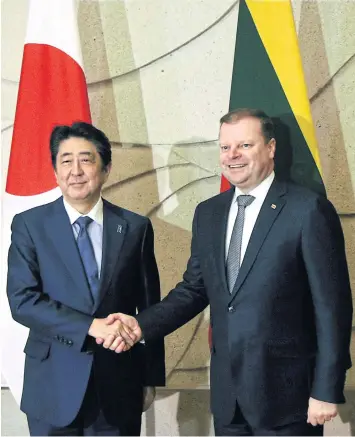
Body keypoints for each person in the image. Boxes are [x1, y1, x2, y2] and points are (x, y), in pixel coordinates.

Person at [103, 109, 353, 436]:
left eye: (245, 145)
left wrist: (326, 388)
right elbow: (194, 290)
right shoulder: (209, 214)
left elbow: (332, 307)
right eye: (224, 147)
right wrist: (140, 324)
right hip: (228, 399)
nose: (232, 155)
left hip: (290, 400)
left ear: (271, 148)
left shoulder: (307, 210)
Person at [6, 122, 165, 436]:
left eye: (86, 159)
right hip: (52, 385)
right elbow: (23, 301)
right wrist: (90, 326)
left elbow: (150, 307)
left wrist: (150, 377)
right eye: (66, 161)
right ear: (55, 171)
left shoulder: (134, 227)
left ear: (105, 169)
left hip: (119, 386)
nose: (75, 170)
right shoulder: (30, 225)